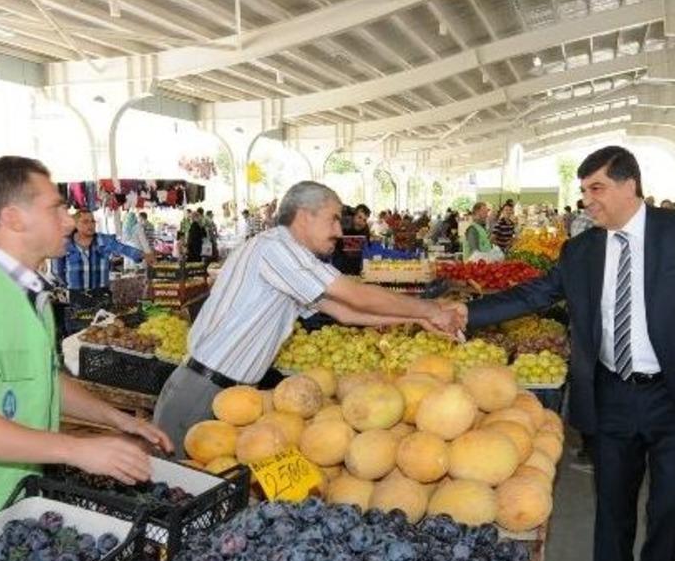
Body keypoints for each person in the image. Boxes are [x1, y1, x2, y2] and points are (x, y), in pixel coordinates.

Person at [443, 146, 675, 561]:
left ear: (629, 185)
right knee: (613, 500)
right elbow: (534, 294)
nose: (587, 201)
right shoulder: (580, 250)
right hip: (612, 393)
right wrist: (466, 312)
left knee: (670, 504)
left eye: (596, 188)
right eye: (583, 191)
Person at [0, 156, 172, 551]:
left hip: (11, 515)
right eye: (55, 208)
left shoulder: (27, 293)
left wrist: (118, 420)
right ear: (13, 218)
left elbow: (43, 379)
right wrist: (76, 450)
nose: (69, 222)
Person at [153, 181, 460, 453]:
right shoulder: (276, 248)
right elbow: (353, 295)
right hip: (203, 392)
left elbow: (345, 311)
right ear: (304, 216)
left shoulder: (286, 258)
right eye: (333, 219)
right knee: (184, 485)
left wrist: (416, 318)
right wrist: (429, 310)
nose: (339, 231)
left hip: (230, 395)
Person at [53, 209, 151, 294]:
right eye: (85, 222)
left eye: (93, 221)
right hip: (76, 295)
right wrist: (70, 284)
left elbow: (123, 249)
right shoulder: (64, 245)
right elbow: (57, 271)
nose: (91, 225)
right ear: (76, 224)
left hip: (102, 293)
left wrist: (143, 255)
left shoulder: (104, 240)